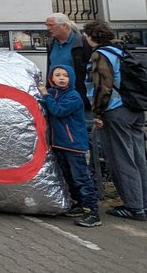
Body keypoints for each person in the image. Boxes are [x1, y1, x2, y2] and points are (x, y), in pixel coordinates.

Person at [84, 19, 147, 221]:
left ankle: (133, 207)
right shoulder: (120, 50)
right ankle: (144, 205)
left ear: (90, 37)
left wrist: (98, 112)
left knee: (121, 159)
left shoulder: (101, 55)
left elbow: (102, 87)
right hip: (135, 108)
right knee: (138, 158)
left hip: (115, 110)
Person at [37, 65, 100, 227]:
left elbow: (58, 110)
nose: (61, 78)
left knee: (81, 178)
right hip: (59, 144)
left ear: (71, 78)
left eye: (65, 75)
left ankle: (92, 212)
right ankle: (80, 204)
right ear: (51, 78)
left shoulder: (73, 97)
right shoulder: (52, 93)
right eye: (57, 75)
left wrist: (45, 95)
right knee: (69, 177)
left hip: (73, 145)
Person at [45, 14, 90, 105]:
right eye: (47, 25)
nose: (48, 28)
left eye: (51, 25)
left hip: (76, 95)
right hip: (55, 94)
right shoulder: (51, 44)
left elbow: (89, 70)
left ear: (64, 26)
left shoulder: (82, 43)